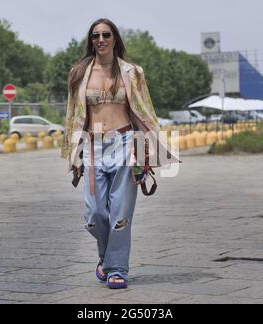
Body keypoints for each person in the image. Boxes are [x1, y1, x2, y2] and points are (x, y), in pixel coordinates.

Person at [61, 18, 179, 289]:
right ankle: (106, 258)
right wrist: (74, 154)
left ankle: (116, 269)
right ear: (90, 41)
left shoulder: (132, 72)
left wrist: (144, 152)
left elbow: (143, 111)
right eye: (95, 36)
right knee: (95, 215)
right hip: (92, 146)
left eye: (105, 34)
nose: (100, 40)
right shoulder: (79, 72)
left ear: (115, 39)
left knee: (120, 214)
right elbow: (72, 116)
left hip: (125, 144)